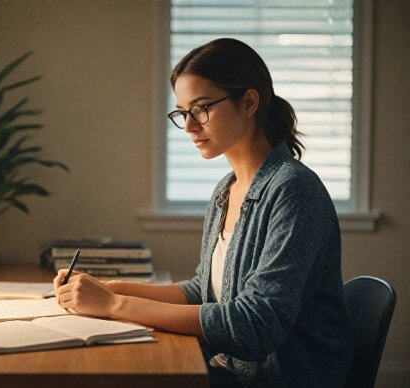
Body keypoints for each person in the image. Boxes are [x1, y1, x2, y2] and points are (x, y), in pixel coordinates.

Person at [53, 38, 353, 387]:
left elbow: (255, 326)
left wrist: (115, 304)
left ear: (249, 102)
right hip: (233, 370)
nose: (190, 126)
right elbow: (203, 291)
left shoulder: (294, 191)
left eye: (202, 108)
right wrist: (112, 288)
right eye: (183, 113)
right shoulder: (226, 191)